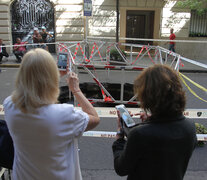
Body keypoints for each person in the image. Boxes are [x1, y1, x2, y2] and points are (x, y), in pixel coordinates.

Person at [3, 48, 100, 180]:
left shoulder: (9, 106)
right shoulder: (63, 115)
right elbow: (94, 118)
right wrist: (76, 89)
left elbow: (30, 88)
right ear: (51, 76)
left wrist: (52, 75)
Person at [112, 64, 197, 180]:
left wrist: (119, 138)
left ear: (147, 95)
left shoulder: (139, 134)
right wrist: (152, 119)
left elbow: (121, 168)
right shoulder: (190, 127)